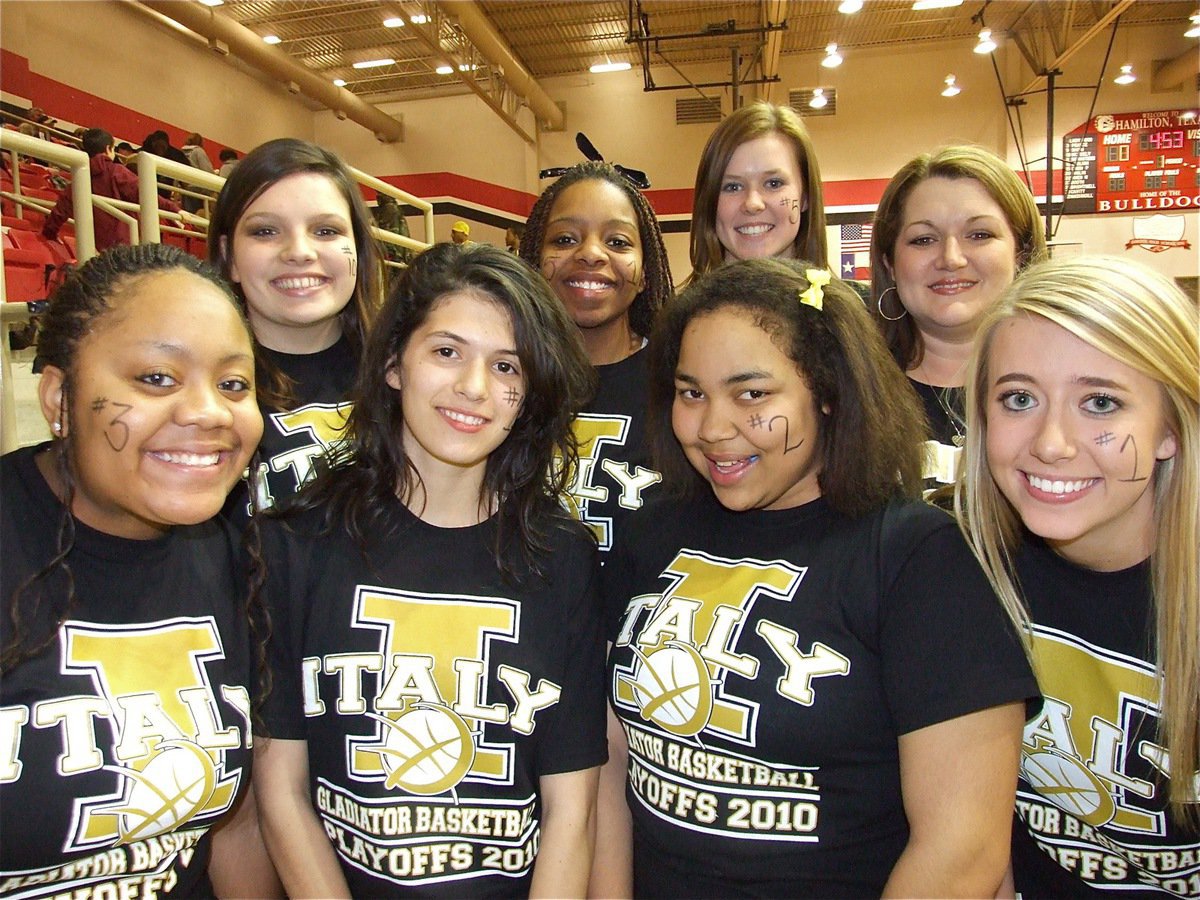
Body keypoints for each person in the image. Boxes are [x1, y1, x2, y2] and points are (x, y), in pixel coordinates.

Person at [595, 259, 1039, 897]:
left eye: (752, 394)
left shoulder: (914, 556)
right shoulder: (650, 534)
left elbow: (962, 849)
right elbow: (609, 762)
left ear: (828, 391)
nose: (713, 428)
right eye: (691, 392)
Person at [253, 242, 606, 897]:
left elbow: (571, 811)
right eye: (447, 352)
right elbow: (281, 793)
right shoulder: (300, 540)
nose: (474, 388)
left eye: (507, 366)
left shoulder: (563, 556)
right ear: (393, 362)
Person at [0, 243, 278, 898]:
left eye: (234, 383)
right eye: (156, 379)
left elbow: (230, 828)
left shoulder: (242, 558)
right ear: (60, 397)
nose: (208, 411)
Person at [955, 256, 1199, 898]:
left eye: (1100, 403)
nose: (1053, 442)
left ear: (1170, 427)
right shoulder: (962, 571)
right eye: (1019, 399)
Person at [208, 137, 383, 522]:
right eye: (265, 232)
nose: (299, 252)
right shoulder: (195, 392)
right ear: (228, 256)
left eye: (326, 231)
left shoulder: (404, 373)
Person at [520, 161, 675, 557]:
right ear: (535, 262)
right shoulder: (506, 377)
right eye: (564, 239)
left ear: (645, 272)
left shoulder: (679, 383)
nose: (590, 254)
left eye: (618, 242)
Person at [869, 146, 1047, 491]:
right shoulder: (847, 394)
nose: (951, 259)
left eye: (979, 235)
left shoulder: (1067, 389)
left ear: (1020, 253)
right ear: (890, 263)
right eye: (923, 239)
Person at [689, 100, 828, 278]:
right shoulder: (682, 307)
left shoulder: (853, 305)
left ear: (805, 196)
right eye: (732, 187)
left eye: (773, 184)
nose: (752, 203)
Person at [42, 127, 181, 252]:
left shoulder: (79, 178)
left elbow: (60, 210)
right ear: (109, 149)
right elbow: (146, 195)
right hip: (124, 244)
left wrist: (50, 233)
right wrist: (175, 209)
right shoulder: (117, 171)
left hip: (95, 247)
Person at [181, 132, 216, 214]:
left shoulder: (181, 152)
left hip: (185, 187)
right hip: (198, 188)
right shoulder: (198, 151)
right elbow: (207, 170)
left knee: (189, 215)